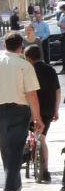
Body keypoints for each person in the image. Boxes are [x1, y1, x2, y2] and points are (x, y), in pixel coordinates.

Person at [0, 33, 43, 191]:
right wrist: (37, 118)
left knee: (7, 150)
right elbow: (32, 95)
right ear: (21, 47)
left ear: (4, 45)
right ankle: (10, 189)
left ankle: (14, 187)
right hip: (20, 111)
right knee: (14, 150)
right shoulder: (25, 65)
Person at [24, 44, 59, 182]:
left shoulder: (28, 70)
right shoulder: (50, 69)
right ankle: (45, 170)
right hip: (48, 110)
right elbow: (57, 91)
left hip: (32, 110)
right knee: (42, 139)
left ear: (28, 58)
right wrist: (56, 110)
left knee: (30, 133)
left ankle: (28, 153)